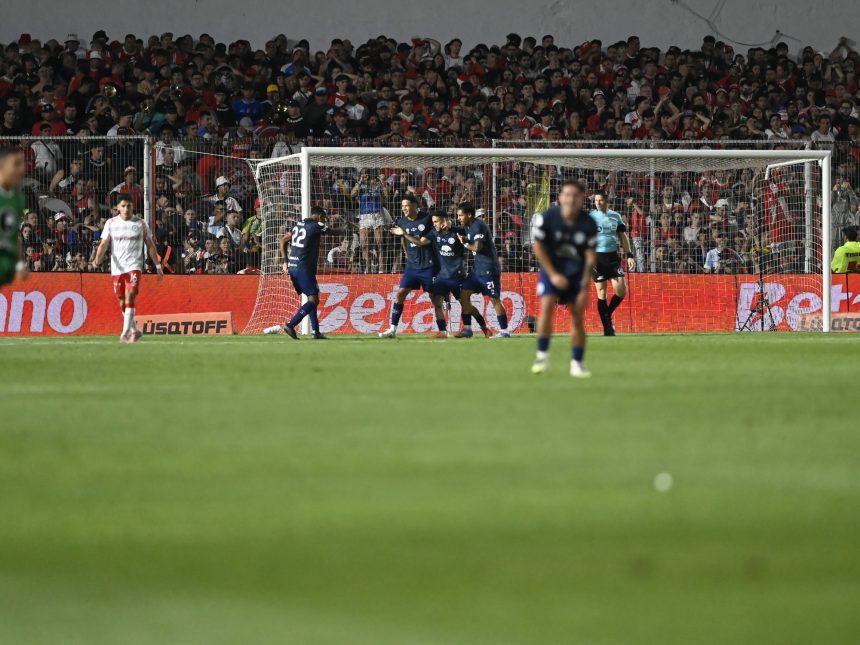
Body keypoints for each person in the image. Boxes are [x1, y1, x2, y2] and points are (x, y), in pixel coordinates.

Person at [530, 179, 598, 378]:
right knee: (546, 306)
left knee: (577, 317)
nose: (571, 199)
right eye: (567, 195)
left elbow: (590, 256)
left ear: (582, 198)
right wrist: (553, 275)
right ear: (560, 197)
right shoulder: (547, 218)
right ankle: (542, 357)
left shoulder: (588, 223)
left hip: (576, 274)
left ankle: (577, 364)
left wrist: (585, 284)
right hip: (551, 270)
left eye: (576, 196)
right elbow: (538, 248)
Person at [90, 193, 164, 343]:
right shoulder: (111, 223)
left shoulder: (140, 223)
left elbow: (150, 245)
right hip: (117, 268)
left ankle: (124, 334)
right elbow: (104, 244)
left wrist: (157, 265)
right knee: (122, 302)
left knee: (130, 296)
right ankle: (135, 330)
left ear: (132, 207)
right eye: (123, 206)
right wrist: (97, 260)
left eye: (129, 206)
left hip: (134, 266)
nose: (126, 209)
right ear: (117, 207)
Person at [264, 206, 328, 339]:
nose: (324, 221)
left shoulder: (297, 225)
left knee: (312, 298)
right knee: (313, 299)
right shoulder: (317, 225)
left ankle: (316, 332)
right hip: (303, 268)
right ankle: (291, 325)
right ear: (320, 216)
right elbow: (333, 231)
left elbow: (282, 240)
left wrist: (285, 261)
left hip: (294, 267)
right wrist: (346, 229)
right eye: (324, 218)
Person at [378, 194, 435, 338]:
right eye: (402, 206)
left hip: (428, 264)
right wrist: (407, 254)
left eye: (407, 205)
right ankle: (392, 329)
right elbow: (403, 239)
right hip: (412, 266)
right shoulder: (401, 221)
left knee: (435, 297)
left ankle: (443, 328)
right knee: (400, 294)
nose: (404, 208)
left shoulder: (427, 219)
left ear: (415, 205)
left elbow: (426, 239)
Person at [456, 202, 510, 338]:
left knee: (494, 299)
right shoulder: (468, 226)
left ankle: (504, 332)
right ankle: (467, 328)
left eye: (461, 215)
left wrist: (464, 243)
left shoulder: (478, 225)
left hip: (488, 269)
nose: (458, 218)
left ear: (469, 215)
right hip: (476, 270)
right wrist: (466, 239)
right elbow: (472, 240)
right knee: (464, 295)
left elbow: (477, 247)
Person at [590, 192, 635, 336]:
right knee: (602, 292)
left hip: (612, 258)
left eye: (600, 200)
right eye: (596, 200)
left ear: (607, 201)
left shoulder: (616, 216)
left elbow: (623, 237)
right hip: (596, 258)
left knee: (621, 290)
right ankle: (607, 328)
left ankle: (607, 315)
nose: (598, 203)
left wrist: (629, 255)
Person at [0, 147, 29, 287]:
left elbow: (13, 236)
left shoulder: (18, 198)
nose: (22, 169)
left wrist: (19, 263)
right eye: (16, 164)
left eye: (23, 163)